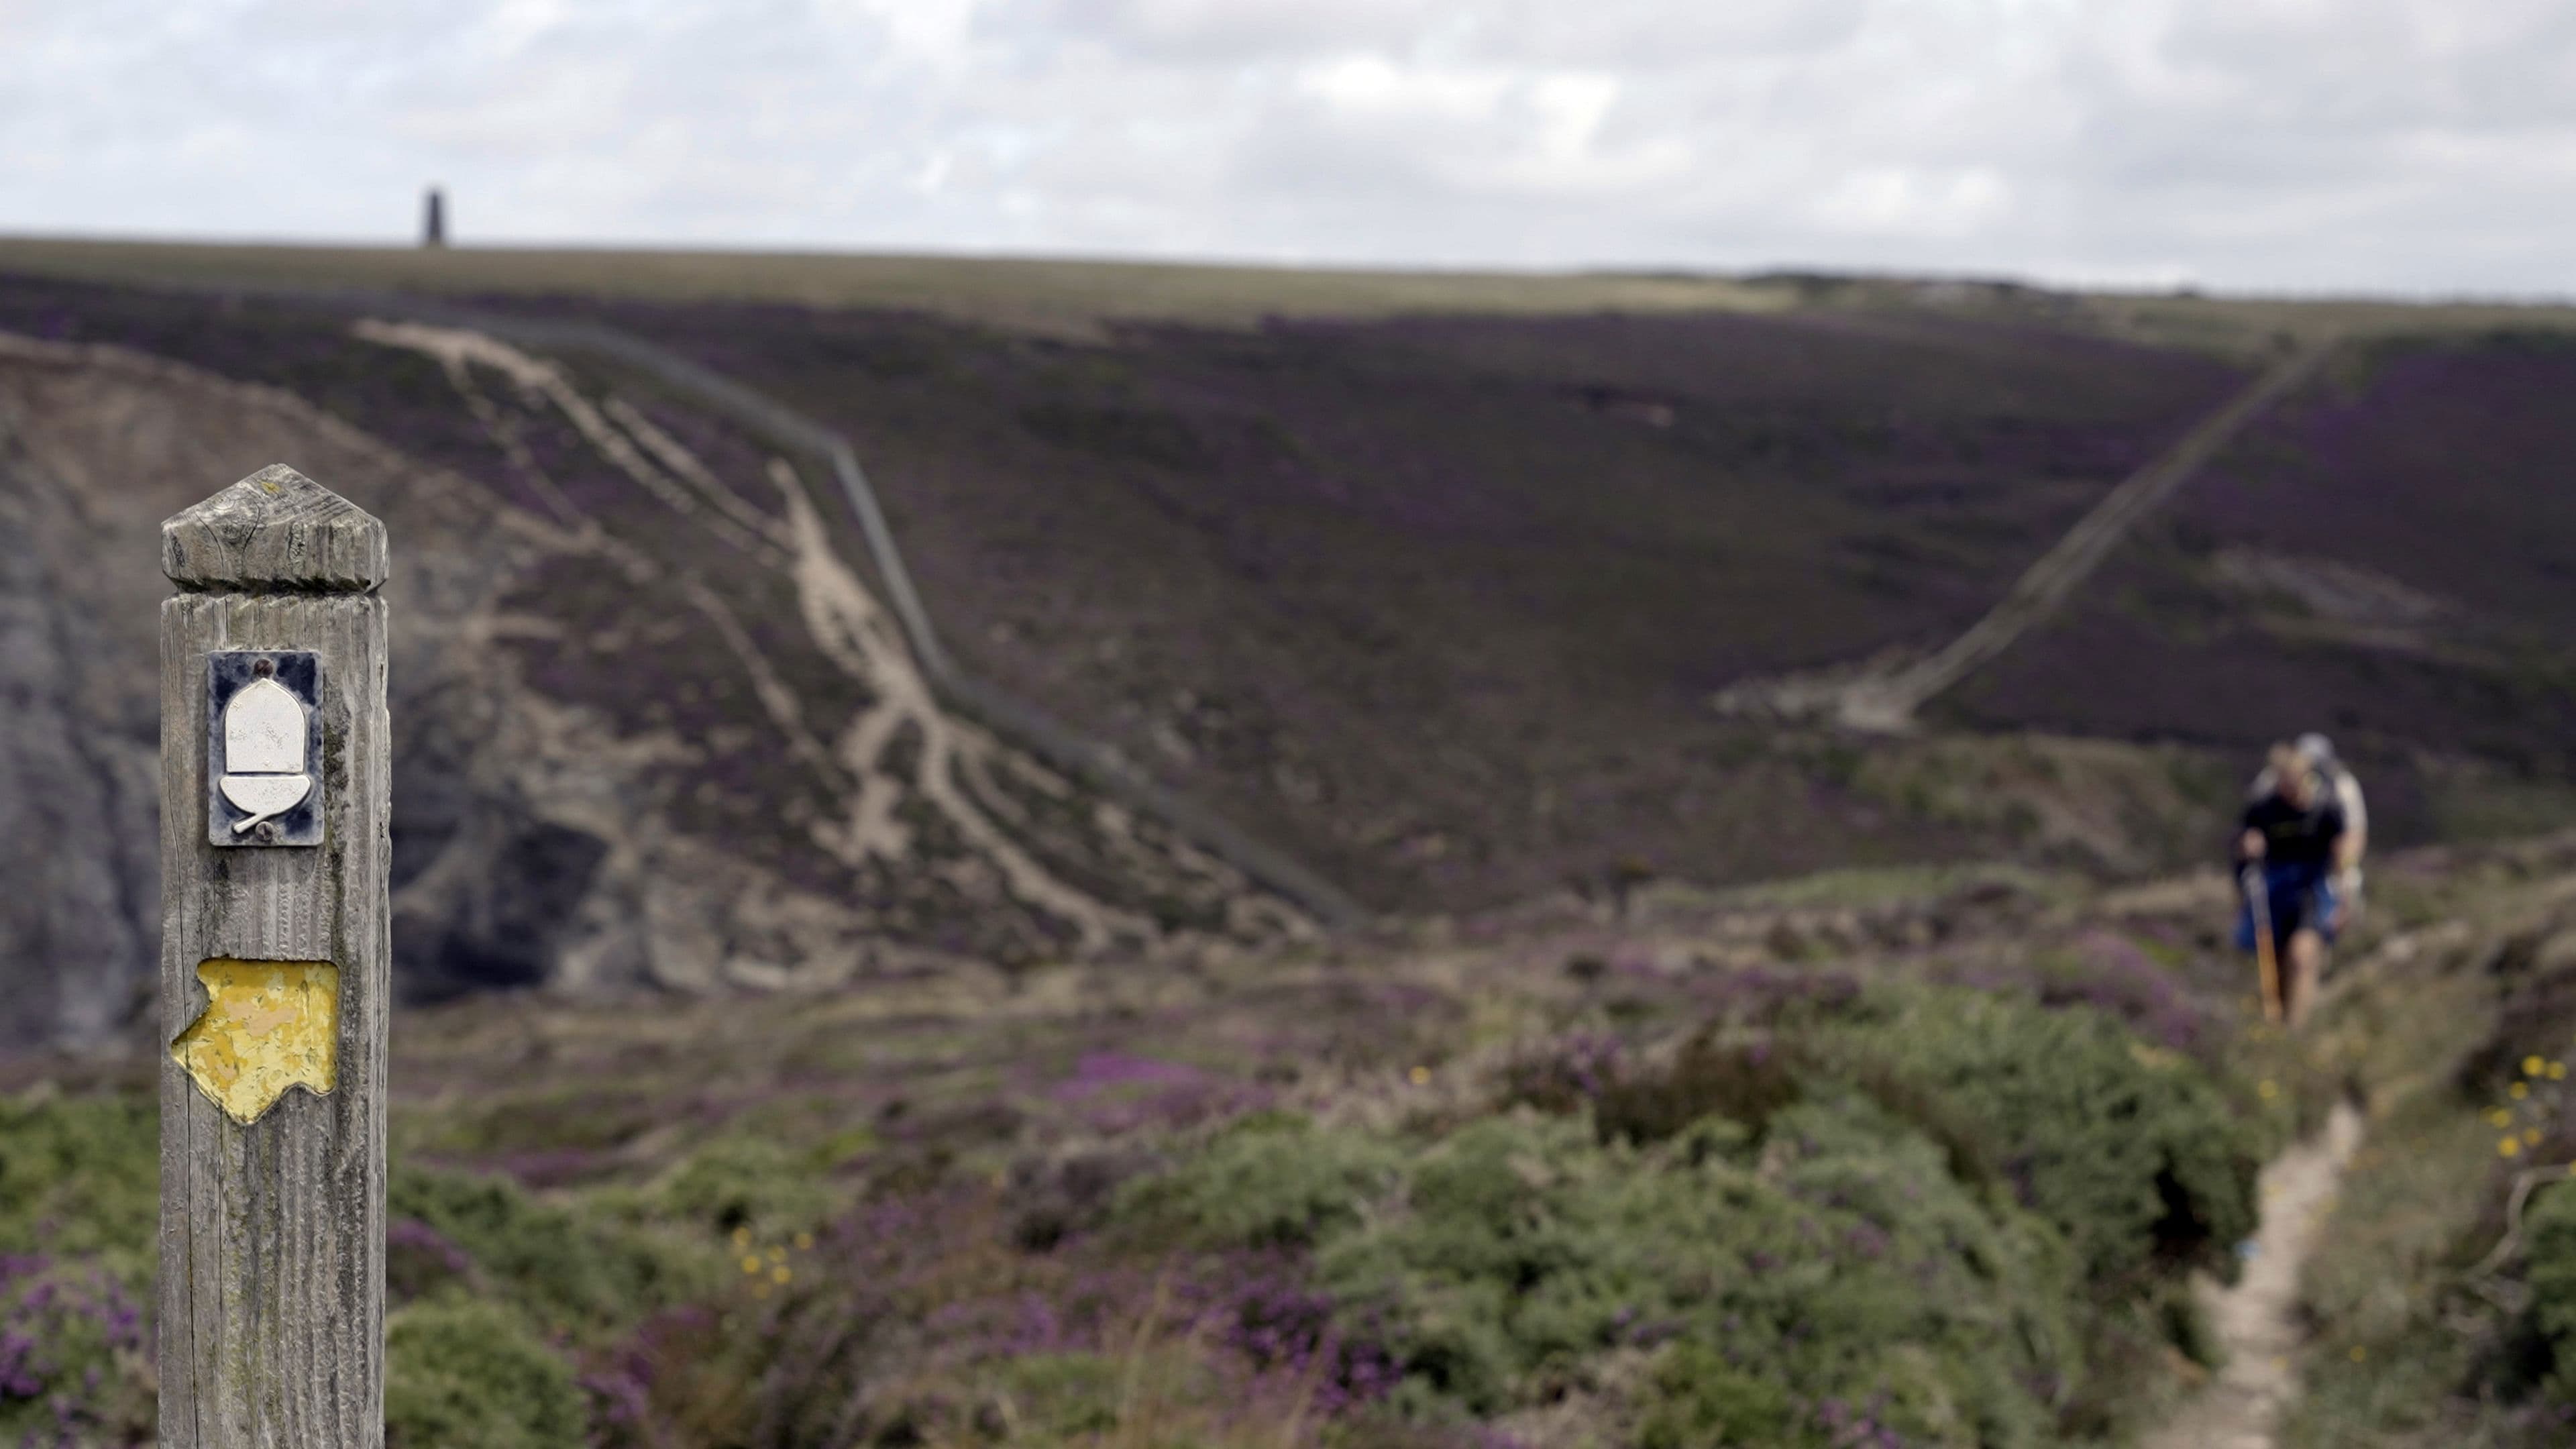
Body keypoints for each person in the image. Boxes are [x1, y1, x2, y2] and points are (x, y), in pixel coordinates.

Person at [2236, 742, 2348, 1028]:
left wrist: (2345, 900)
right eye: (2284, 782)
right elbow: (2243, 844)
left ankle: (2298, 1029)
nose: (2290, 789)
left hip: (2312, 888)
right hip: (2275, 889)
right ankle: (2278, 1023)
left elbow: (2340, 856)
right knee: (2276, 960)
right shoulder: (2263, 808)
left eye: (2295, 781)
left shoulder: (2326, 808)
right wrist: (2249, 847)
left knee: (2303, 954)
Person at [2248, 733, 2367, 926]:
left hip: (2323, 867)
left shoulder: (2341, 785)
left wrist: (2346, 869)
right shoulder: (2271, 781)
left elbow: (2354, 832)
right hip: (2279, 868)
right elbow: (2253, 820)